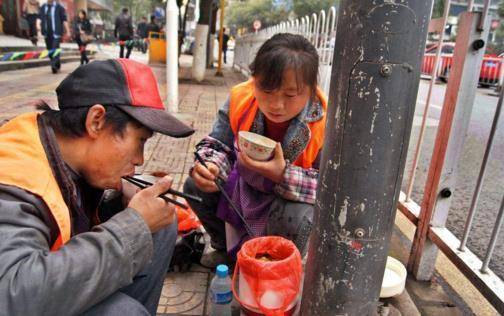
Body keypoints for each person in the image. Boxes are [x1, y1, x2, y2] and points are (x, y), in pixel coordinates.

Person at [0, 59, 195, 315]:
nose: (140, 159)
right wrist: (132, 226)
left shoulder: (62, 144)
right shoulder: (16, 181)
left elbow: (70, 215)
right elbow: (12, 295)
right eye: (140, 141)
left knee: (161, 222)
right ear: (96, 121)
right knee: (123, 312)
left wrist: (114, 202)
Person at [183, 33, 327, 266]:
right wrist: (211, 165)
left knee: (300, 218)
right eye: (267, 90)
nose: (276, 105)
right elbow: (219, 143)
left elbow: (330, 189)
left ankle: (277, 266)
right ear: (254, 80)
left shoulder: (324, 122)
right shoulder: (242, 98)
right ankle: (226, 250)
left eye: (290, 94)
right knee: (195, 187)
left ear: (310, 91)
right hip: (243, 186)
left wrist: (283, 175)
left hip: (287, 199)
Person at [38, 0, 71, 73]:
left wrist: (68, 31)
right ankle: (57, 62)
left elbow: (64, 20)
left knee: (55, 47)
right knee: (49, 49)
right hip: (46, 33)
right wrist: (38, 28)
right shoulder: (43, 7)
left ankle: (53, 66)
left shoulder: (59, 7)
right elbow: (39, 18)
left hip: (56, 32)